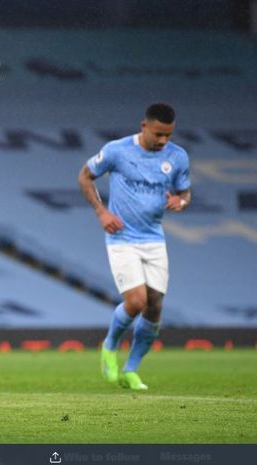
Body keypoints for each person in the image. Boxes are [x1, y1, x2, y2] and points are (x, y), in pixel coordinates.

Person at [78, 102, 191, 390]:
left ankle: (131, 369)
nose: (163, 141)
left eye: (168, 135)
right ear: (144, 127)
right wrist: (102, 212)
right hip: (122, 237)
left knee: (155, 306)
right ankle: (110, 346)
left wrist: (181, 201)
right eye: (158, 134)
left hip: (154, 238)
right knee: (137, 301)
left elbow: (184, 191)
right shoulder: (117, 151)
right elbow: (85, 176)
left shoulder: (177, 157)